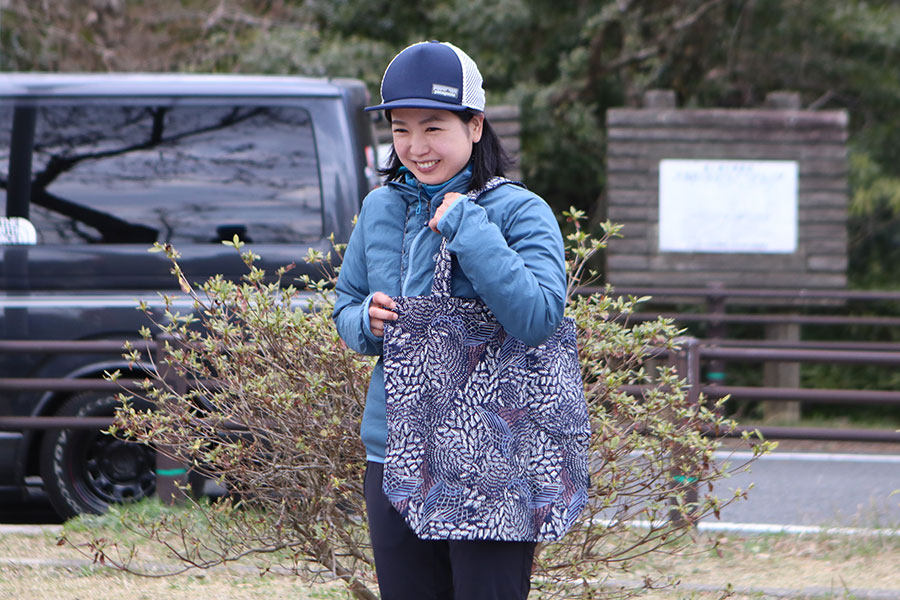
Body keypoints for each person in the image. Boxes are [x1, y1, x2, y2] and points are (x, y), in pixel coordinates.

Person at [332, 41, 567, 600]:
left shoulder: (521, 211)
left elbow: (538, 317)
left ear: (476, 125)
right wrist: (366, 320)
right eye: (401, 129)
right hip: (393, 451)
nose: (416, 147)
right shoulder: (379, 209)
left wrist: (471, 228)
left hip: (493, 453)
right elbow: (344, 303)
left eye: (433, 127)